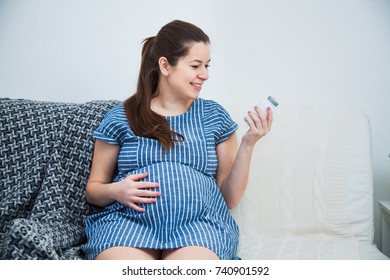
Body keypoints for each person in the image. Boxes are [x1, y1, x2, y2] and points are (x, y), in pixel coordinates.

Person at [81, 19, 273, 260]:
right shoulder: (122, 115)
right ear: (165, 65)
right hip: (127, 224)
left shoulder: (214, 116)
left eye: (207, 65)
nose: (204, 75)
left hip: (200, 227)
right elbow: (93, 190)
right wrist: (116, 190)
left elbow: (230, 199)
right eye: (195, 65)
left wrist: (249, 143)